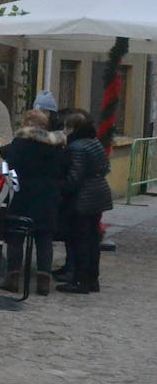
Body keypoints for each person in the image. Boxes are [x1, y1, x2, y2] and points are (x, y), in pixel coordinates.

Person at [0, 109, 67, 295]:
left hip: (25, 196)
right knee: (44, 239)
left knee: (16, 237)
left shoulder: (21, 142)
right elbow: (63, 170)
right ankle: (43, 282)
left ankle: (13, 278)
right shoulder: (56, 146)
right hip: (48, 198)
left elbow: (10, 165)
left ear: (28, 123)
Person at [57, 110, 112, 295]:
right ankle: (92, 279)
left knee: (80, 239)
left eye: (67, 127)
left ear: (74, 128)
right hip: (98, 193)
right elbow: (105, 166)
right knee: (92, 239)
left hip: (84, 198)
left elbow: (75, 177)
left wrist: (60, 187)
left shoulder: (77, 147)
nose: (64, 130)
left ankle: (80, 281)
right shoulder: (94, 142)